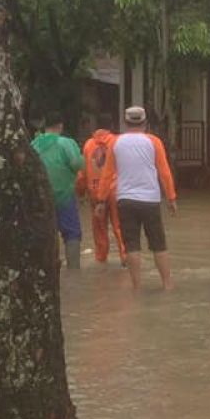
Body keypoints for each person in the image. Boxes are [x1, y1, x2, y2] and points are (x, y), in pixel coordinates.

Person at [97, 106, 178, 290]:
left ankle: (137, 287)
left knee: (132, 245)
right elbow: (164, 172)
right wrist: (171, 198)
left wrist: (101, 200)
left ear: (125, 123)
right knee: (159, 243)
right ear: (145, 122)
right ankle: (167, 285)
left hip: (125, 200)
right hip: (150, 200)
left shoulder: (116, 143)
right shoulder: (154, 141)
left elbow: (107, 174)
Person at [31, 112, 86, 270]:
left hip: (40, 198)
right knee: (72, 234)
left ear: (44, 127)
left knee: (45, 234)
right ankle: (74, 271)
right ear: (60, 126)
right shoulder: (66, 143)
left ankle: (45, 269)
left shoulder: (34, 144)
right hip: (64, 196)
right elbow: (77, 164)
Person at [78, 119, 126, 267]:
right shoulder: (118, 142)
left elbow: (82, 173)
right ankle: (125, 257)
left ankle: (101, 258)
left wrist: (80, 192)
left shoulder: (88, 145)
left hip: (95, 191)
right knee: (120, 226)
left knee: (99, 228)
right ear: (111, 128)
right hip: (116, 190)